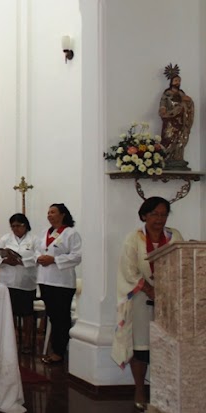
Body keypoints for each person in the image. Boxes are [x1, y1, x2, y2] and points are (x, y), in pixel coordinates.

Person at [111, 197, 182, 411]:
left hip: (169, 298)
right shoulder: (133, 239)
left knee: (167, 344)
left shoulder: (174, 236)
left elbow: (181, 262)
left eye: (163, 214)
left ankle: (165, 390)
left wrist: (167, 290)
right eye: (154, 214)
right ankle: (140, 389)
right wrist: (150, 290)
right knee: (141, 346)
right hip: (141, 297)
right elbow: (128, 270)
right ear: (144, 216)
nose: (159, 219)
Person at [35, 203, 82, 365]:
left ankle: (59, 351)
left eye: (53, 212)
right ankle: (55, 349)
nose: (49, 215)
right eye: (48, 212)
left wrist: (54, 259)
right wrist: (39, 257)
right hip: (45, 279)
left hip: (62, 281)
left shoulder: (70, 233)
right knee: (53, 316)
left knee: (61, 317)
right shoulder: (45, 232)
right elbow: (37, 249)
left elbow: (77, 256)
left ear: (62, 214)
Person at [0, 213, 38, 353]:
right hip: (8, 281)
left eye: (18, 226)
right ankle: (11, 340)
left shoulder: (34, 239)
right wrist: (4, 260)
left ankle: (27, 341)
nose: (15, 229)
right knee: (9, 312)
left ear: (25, 225)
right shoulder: (5, 239)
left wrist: (21, 261)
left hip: (26, 281)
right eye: (13, 226)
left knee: (27, 313)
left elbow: (37, 256)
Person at [158, 64, 194, 168]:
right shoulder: (167, 93)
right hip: (170, 120)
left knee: (181, 139)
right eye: (176, 81)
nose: (178, 83)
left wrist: (189, 102)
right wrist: (163, 109)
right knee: (168, 138)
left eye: (179, 81)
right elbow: (163, 103)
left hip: (181, 121)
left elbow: (188, 103)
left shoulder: (182, 93)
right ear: (171, 82)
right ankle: (167, 158)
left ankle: (178, 158)